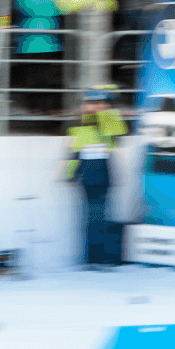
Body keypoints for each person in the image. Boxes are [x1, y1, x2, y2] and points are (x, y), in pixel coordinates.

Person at [69, 87, 128, 270]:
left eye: (95, 104)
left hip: (103, 177)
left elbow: (119, 134)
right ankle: (90, 258)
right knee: (89, 219)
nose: (91, 107)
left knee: (99, 218)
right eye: (89, 104)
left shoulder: (108, 122)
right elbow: (74, 153)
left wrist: (104, 109)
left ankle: (100, 258)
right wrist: (71, 174)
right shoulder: (80, 127)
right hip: (87, 178)